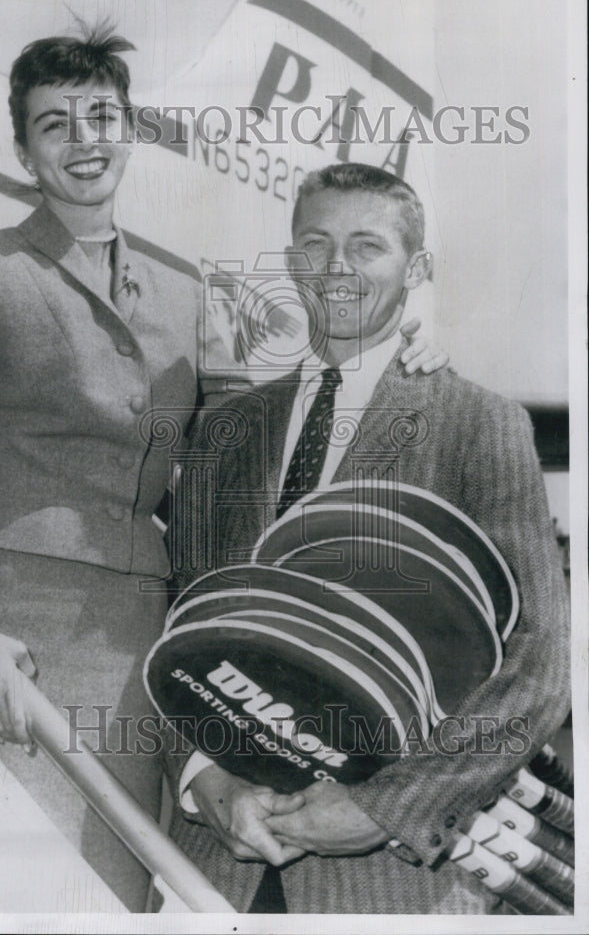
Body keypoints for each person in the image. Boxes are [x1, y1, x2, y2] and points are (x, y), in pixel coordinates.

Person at [0, 23, 446, 911]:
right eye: (54, 123)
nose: (84, 139)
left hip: (143, 653)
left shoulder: (186, 300)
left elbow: (249, 459)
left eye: (101, 115)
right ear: (24, 151)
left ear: (129, 131)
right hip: (9, 636)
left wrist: (384, 344)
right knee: (1, 898)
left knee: (109, 899)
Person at [165, 163, 570, 914]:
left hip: (387, 882)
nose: (336, 268)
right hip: (217, 868)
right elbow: (176, 625)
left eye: (366, 246)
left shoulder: (478, 423)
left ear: (414, 268)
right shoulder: (225, 431)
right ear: (289, 261)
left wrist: (386, 806)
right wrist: (204, 782)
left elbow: (541, 664)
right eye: (314, 244)